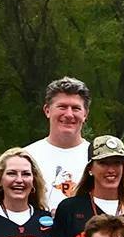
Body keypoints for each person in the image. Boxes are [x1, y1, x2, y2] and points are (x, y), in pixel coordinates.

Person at [24, 76, 92, 208]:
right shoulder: (26, 157)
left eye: (76, 108)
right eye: (62, 107)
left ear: (85, 114)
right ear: (47, 110)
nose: (69, 114)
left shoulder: (97, 159)